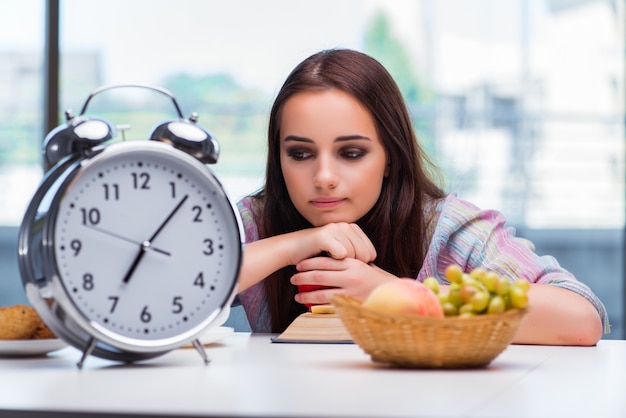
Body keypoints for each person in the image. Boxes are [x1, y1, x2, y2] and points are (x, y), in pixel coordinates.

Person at [235, 48, 609, 345]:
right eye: (300, 154)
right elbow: (178, 287)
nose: (324, 178)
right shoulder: (256, 224)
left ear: (390, 158)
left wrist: (396, 295)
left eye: (351, 153)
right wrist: (294, 244)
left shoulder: (447, 228)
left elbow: (580, 319)